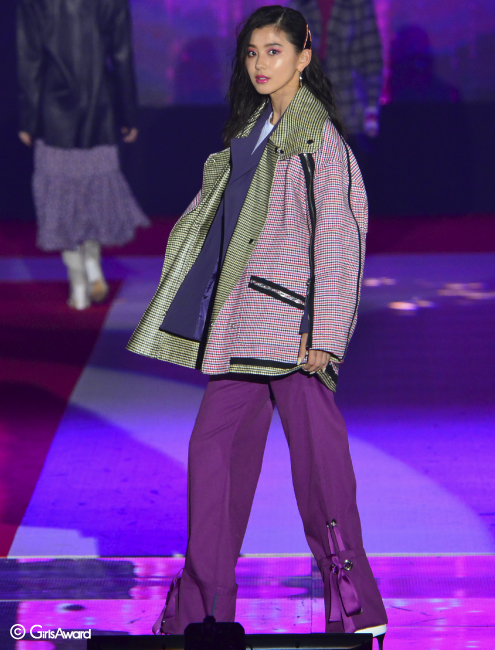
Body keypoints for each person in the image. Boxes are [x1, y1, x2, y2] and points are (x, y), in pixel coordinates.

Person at [127, 5, 387, 647]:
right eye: (251, 52)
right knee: (212, 454)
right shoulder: (253, 130)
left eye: (274, 51)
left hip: (294, 331)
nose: (260, 63)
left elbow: (340, 238)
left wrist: (325, 331)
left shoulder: (317, 139)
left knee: (320, 472)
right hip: (244, 325)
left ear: (304, 57)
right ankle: (205, 609)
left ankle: (355, 605)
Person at [17, 0, 149, 310]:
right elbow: (122, 56)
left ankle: (78, 286)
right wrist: (128, 114)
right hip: (99, 113)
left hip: (53, 117)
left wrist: (28, 120)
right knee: (93, 199)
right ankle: (92, 267)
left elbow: (29, 60)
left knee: (59, 204)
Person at [287, 0, 383, 167]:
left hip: (349, 106)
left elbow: (371, 57)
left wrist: (372, 107)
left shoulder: (357, 4)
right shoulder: (299, 4)